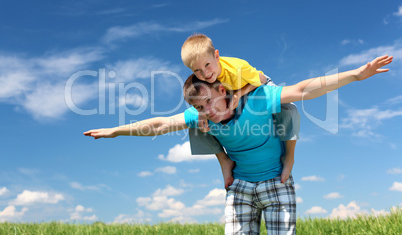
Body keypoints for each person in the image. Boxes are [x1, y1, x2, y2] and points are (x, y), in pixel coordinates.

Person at [84, 55, 392, 234]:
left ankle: (288, 159)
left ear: (222, 88)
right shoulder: (203, 117)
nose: (209, 111)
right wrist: (117, 130)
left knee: (287, 108)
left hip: (276, 181)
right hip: (240, 187)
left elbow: (303, 90)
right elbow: (161, 124)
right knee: (193, 126)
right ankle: (225, 164)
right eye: (201, 108)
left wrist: (355, 75)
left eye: (209, 102)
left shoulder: (257, 97)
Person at [181, 34, 300, 188]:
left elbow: (261, 79)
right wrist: (202, 113)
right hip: (230, 95)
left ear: (216, 56)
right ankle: (224, 161)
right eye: (197, 70)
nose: (205, 74)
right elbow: (204, 98)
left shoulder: (236, 69)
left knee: (289, 109)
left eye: (207, 65)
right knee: (197, 123)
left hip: (253, 85)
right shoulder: (205, 78)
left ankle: (289, 156)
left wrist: (239, 94)